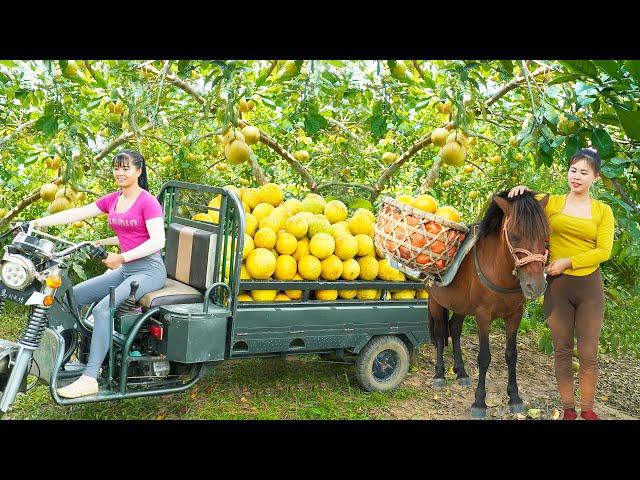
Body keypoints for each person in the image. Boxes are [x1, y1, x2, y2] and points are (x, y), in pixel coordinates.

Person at [30, 150, 167, 398]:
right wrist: (38, 222)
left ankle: (90, 377)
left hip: (149, 270)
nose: (120, 172)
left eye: (126, 168)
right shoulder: (114, 199)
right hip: (125, 269)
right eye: (116, 167)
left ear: (138, 170)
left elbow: (158, 240)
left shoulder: (148, 202)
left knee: (104, 309)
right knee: (69, 298)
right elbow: (78, 212)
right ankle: (66, 356)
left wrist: (121, 256)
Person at [508, 148, 614, 420]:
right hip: (558, 288)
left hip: (589, 287)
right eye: (573, 170)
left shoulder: (603, 211)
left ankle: (588, 410)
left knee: (588, 353)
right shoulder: (553, 203)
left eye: (583, 172)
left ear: (595, 178)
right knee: (562, 350)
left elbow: (603, 251)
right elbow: (527, 208)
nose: (576, 177)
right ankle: (569, 409)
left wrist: (568, 261)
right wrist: (523, 190)